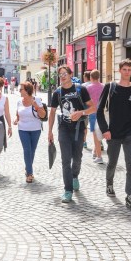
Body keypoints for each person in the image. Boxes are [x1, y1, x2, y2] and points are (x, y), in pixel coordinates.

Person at [96, 59, 131, 211]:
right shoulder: (110, 87)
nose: (127, 72)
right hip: (113, 132)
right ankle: (109, 183)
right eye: (124, 69)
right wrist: (105, 130)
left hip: (129, 132)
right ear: (120, 71)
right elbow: (99, 110)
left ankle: (129, 197)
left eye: (129, 70)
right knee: (112, 162)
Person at [48, 66, 95, 203]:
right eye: (60, 74)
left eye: (64, 74)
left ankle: (75, 176)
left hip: (79, 128)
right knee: (65, 160)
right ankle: (68, 190)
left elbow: (93, 108)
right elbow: (52, 113)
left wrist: (81, 112)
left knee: (77, 157)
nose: (62, 76)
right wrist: (50, 131)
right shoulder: (57, 92)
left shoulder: (80, 89)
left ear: (70, 75)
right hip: (64, 127)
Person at [14, 81, 46, 183]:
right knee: (27, 150)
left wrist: (35, 105)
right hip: (22, 129)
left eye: (21, 89)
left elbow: (42, 115)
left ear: (27, 90)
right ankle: (29, 173)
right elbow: (18, 113)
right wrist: (16, 119)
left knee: (32, 150)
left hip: (35, 129)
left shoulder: (36, 99)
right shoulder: (19, 101)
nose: (19, 91)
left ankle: (28, 167)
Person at [85, 70, 105, 164]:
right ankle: (95, 152)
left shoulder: (88, 88)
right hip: (102, 112)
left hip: (93, 112)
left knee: (96, 135)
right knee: (100, 132)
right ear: (99, 77)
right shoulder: (104, 86)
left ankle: (99, 156)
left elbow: (86, 101)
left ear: (91, 78)